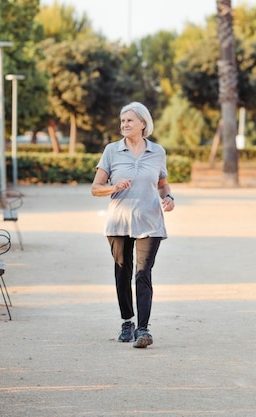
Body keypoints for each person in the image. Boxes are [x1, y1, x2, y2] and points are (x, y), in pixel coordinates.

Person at [91, 102, 175, 348]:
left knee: (143, 274)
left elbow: (162, 183)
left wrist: (168, 198)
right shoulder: (111, 151)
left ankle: (143, 329)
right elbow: (95, 189)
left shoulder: (157, 152)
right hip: (119, 222)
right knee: (123, 273)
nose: (124, 124)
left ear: (143, 124)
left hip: (150, 221)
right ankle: (127, 321)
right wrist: (113, 187)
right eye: (122, 121)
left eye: (129, 120)